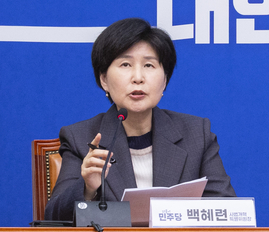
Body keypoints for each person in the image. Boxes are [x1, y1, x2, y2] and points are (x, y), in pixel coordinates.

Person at [44, 18, 235, 221]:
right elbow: (53, 219)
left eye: (149, 65)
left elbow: (226, 211)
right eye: (125, 64)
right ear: (104, 80)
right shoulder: (81, 138)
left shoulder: (197, 134)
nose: (138, 77)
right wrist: (87, 188)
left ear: (164, 81)